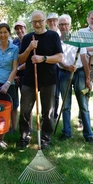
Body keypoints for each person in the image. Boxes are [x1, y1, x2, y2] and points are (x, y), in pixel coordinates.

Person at [17, 10, 63, 150]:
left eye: (40, 21)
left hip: (48, 79)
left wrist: (42, 58)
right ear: (31, 23)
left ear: (45, 21)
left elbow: (59, 57)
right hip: (30, 79)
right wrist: (29, 49)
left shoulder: (53, 36)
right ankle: (25, 136)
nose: (37, 24)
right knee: (25, 110)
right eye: (34, 22)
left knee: (48, 111)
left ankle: (45, 139)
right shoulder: (27, 38)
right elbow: (20, 59)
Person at [56, 14, 93, 143]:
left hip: (79, 73)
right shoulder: (56, 40)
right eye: (61, 24)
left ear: (70, 25)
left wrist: (88, 78)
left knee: (83, 105)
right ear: (58, 26)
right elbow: (58, 59)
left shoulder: (78, 39)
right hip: (63, 73)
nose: (63, 26)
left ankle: (88, 134)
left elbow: (84, 59)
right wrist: (66, 66)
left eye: (66, 24)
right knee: (65, 105)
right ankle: (67, 132)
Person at [11, 21, 27, 134]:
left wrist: (18, 70)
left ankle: (29, 126)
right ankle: (14, 127)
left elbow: (30, 60)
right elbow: (13, 59)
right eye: (17, 29)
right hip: (15, 75)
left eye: (21, 28)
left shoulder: (30, 40)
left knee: (27, 103)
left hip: (26, 74)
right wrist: (15, 73)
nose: (19, 31)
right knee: (14, 103)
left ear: (25, 28)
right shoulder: (14, 42)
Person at [46, 12, 61, 121]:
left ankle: (54, 115)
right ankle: (46, 115)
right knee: (48, 93)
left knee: (56, 94)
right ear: (47, 22)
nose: (52, 22)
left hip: (61, 68)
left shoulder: (64, 34)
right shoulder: (45, 34)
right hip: (48, 68)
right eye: (50, 21)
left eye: (54, 20)